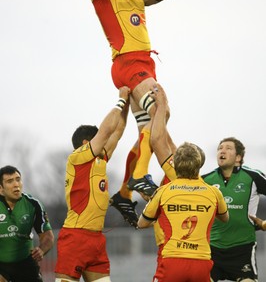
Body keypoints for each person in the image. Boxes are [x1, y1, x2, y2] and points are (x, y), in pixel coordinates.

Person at [83, 0, 175, 221]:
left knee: (151, 129)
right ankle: (139, 176)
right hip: (128, 64)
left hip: (143, 63)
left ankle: (124, 193)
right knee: (162, 106)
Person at [138, 86, 229, 282]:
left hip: (170, 251)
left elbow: (158, 140)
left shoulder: (173, 174)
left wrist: (160, 107)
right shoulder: (209, 188)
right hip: (201, 258)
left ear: (177, 161)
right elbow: (166, 141)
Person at [55, 86, 130, 282]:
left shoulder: (99, 160)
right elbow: (106, 132)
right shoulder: (77, 157)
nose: (103, 143)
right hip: (75, 237)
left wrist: (130, 101)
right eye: (97, 140)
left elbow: (118, 130)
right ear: (86, 142)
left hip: (95, 239)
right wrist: (120, 100)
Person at [202, 137, 266, 282]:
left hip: (242, 248)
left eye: (228, 148)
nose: (222, 151)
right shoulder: (205, 180)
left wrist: (263, 224)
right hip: (212, 249)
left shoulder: (253, 177)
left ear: (238, 157)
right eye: (220, 148)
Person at [0, 165, 54, 282]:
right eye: (10, 181)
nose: (16, 184)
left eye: (18, 179)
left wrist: (41, 250)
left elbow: (48, 236)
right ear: (1, 189)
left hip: (25, 263)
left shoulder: (33, 204)